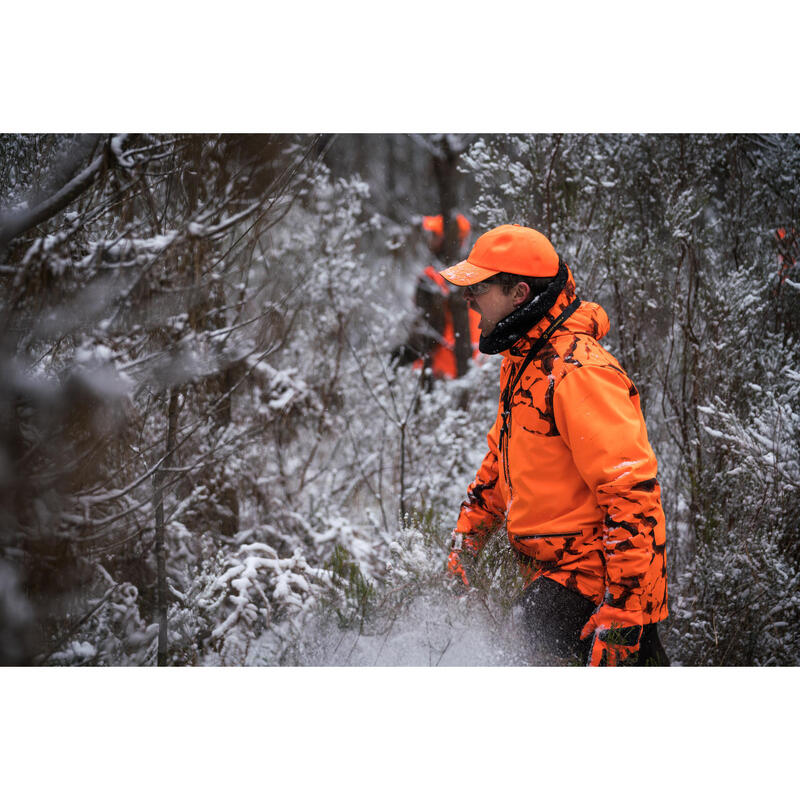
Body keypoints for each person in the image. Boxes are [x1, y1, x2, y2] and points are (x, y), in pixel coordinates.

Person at [442, 224, 669, 666]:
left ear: (519, 293)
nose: (467, 300)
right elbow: (500, 461)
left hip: (590, 587)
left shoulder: (578, 371)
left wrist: (625, 614)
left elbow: (632, 496)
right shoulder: (527, 360)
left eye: (479, 289)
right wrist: (465, 543)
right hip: (552, 581)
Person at [392, 214, 481, 381]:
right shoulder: (475, 275)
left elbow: (430, 331)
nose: (430, 240)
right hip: (474, 369)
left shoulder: (431, 279)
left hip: (437, 370)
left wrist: (404, 355)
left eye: (434, 235)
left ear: (447, 239)